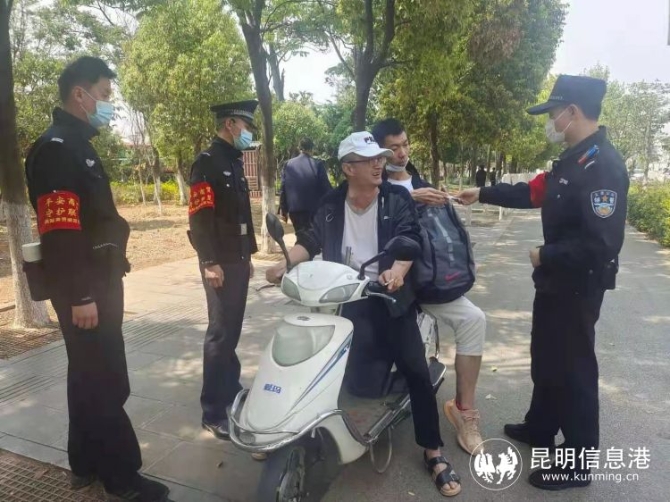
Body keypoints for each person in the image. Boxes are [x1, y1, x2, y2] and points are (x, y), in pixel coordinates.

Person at [456, 75, 629, 490]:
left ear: (572, 111)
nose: (550, 122)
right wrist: (482, 193)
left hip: (578, 284)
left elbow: (602, 244)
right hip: (555, 282)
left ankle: (577, 463)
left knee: (574, 369)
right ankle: (541, 426)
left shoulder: (603, 166)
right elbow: (533, 193)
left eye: (553, 114)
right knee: (547, 356)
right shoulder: (573, 159)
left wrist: (544, 255)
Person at [266, 132, 462, 497]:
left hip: (389, 297)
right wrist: (284, 263)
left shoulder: (395, 198)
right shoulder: (330, 203)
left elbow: (410, 239)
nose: (379, 164)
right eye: (370, 159)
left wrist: (398, 271)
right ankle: (286, 426)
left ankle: (433, 450)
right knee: (340, 375)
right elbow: (310, 239)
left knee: (416, 370)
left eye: (380, 158)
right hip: (344, 297)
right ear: (348, 168)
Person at [24, 56, 169, 501]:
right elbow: (60, 231)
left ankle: (84, 462)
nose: (108, 103)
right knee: (107, 378)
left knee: (86, 373)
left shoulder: (76, 143)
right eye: (104, 94)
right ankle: (122, 478)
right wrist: (81, 294)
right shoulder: (56, 148)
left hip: (98, 280)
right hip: (86, 287)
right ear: (79, 94)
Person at [372, 119, 487, 455]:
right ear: (379, 152)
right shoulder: (373, 181)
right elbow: (366, 210)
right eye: (393, 148)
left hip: (428, 283)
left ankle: (464, 411)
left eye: (405, 144)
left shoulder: (422, 182)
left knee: (474, 319)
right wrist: (409, 197)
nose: (402, 153)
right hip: (387, 285)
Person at [188, 100, 258, 440]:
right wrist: (208, 261)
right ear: (230, 124)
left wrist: (248, 255)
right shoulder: (207, 163)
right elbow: (200, 218)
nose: (249, 133)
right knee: (219, 333)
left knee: (232, 329)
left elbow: (241, 216)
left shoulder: (234, 161)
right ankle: (213, 411)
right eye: (246, 126)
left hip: (237, 259)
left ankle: (230, 388)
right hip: (219, 262)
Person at [278, 137, 332, 232]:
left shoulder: (287, 165)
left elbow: (283, 188)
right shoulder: (317, 165)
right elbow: (326, 188)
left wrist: (283, 209)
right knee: (313, 237)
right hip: (313, 211)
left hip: (294, 211)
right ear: (312, 149)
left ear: (300, 148)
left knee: (300, 235)